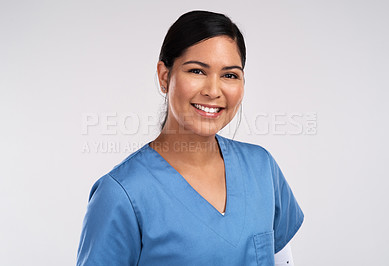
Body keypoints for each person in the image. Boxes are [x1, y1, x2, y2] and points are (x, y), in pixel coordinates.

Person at [77, 10, 304, 266]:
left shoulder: (261, 168)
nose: (213, 91)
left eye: (229, 75)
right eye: (197, 71)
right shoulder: (121, 195)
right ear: (165, 76)